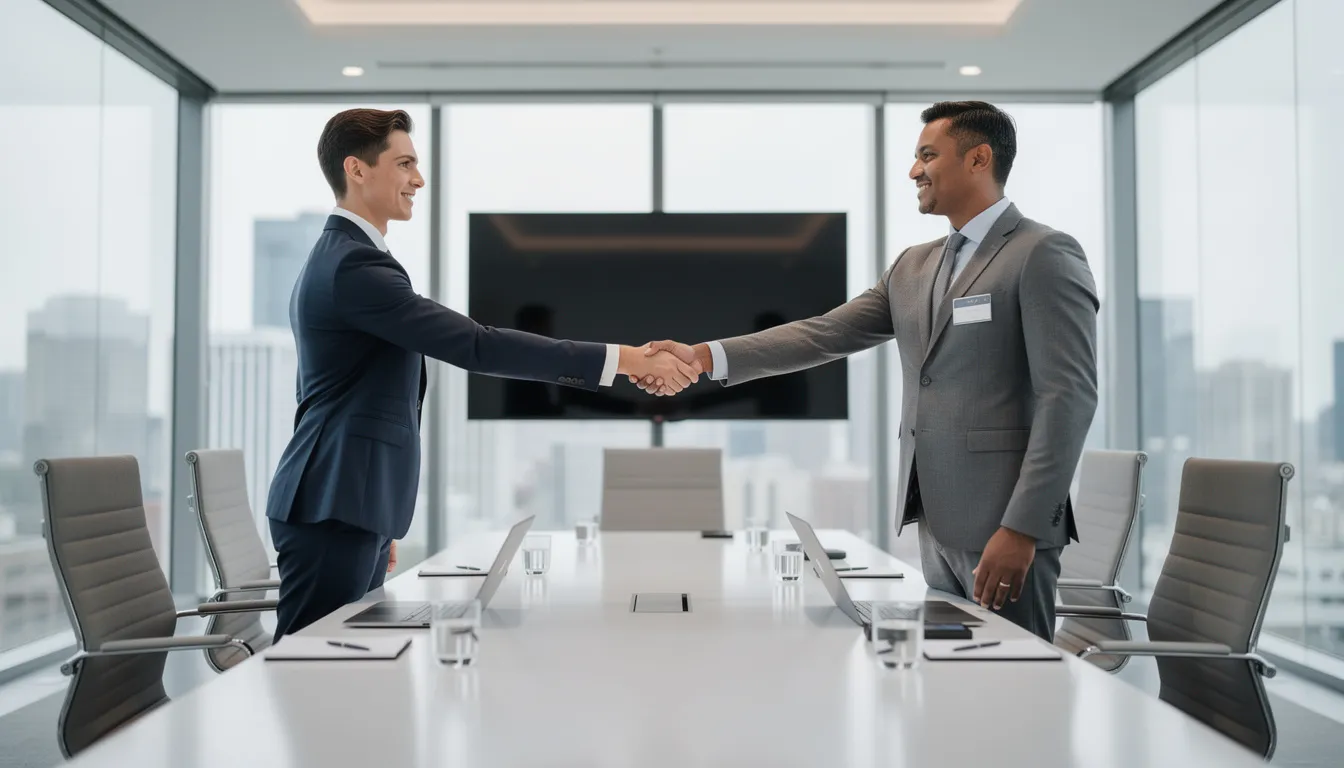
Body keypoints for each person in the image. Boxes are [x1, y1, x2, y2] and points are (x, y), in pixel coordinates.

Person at [634, 101, 1098, 641]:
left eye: (928, 155)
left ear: (978, 159)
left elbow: (1068, 397)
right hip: (935, 519)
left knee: (1019, 681)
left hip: (1004, 525)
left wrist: (1022, 526)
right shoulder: (913, 265)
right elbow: (824, 334)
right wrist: (704, 355)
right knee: (951, 678)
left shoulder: (1042, 253)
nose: (913, 171)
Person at [266, 108, 699, 640]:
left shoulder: (342, 258)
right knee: (311, 669)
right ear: (357, 170)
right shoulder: (354, 266)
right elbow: (476, 345)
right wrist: (626, 359)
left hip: (346, 503)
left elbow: (334, 392)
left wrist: (376, 512)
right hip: (334, 507)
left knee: (345, 665)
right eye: (405, 164)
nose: (417, 180)